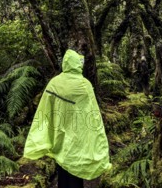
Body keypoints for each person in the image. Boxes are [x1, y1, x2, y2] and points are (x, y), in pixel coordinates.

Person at [23, 49, 111, 187]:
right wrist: (97, 138)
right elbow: (94, 114)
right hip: (78, 137)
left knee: (62, 169)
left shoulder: (54, 83)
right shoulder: (84, 85)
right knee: (76, 171)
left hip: (59, 134)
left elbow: (45, 109)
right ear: (77, 64)